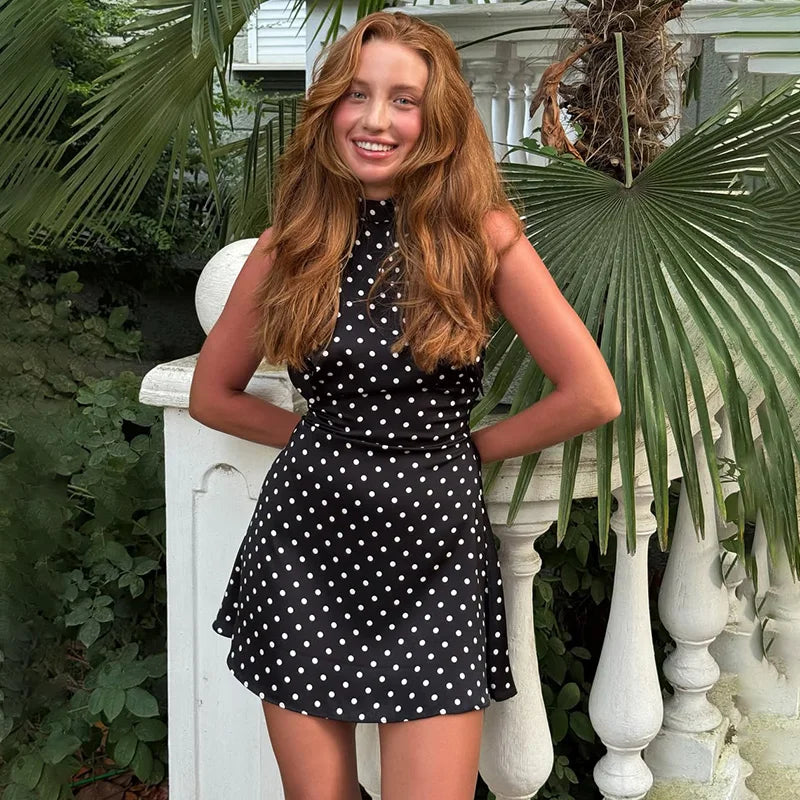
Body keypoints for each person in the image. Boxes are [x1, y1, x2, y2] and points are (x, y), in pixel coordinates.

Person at [188, 9, 620, 800]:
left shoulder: (480, 237)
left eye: (404, 99)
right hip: (305, 551)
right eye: (357, 95)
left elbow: (592, 394)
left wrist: (469, 449)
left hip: (433, 558)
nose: (376, 120)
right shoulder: (292, 243)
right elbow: (211, 396)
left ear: (440, 121)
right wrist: (327, 438)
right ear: (329, 111)